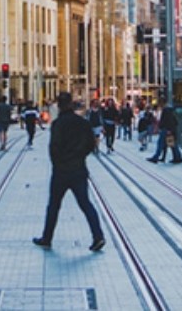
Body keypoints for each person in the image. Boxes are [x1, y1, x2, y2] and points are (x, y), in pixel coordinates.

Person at [32, 92, 106, 251]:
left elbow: (54, 147)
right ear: (71, 104)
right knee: (86, 204)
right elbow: (90, 145)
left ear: (59, 105)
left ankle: (47, 237)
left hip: (61, 171)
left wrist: (58, 162)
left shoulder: (58, 124)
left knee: (54, 205)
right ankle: (98, 236)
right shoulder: (83, 123)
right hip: (78, 169)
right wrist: (79, 157)